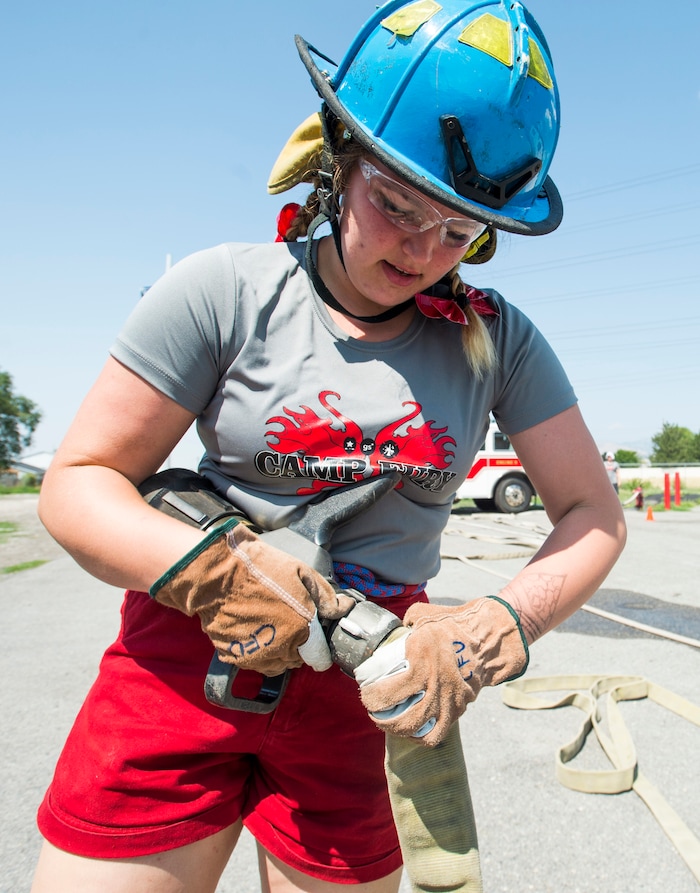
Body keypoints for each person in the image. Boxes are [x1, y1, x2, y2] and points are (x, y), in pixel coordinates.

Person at [31, 2, 626, 892]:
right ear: (337, 162)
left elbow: (593, 512)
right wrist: (215, 573)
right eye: (396, 204)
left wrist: (502, 621)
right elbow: (78, 482)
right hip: (184, 665)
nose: (424, 249)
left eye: (458, 229)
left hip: (377, 687)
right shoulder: (225, 291)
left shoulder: (500, 341)